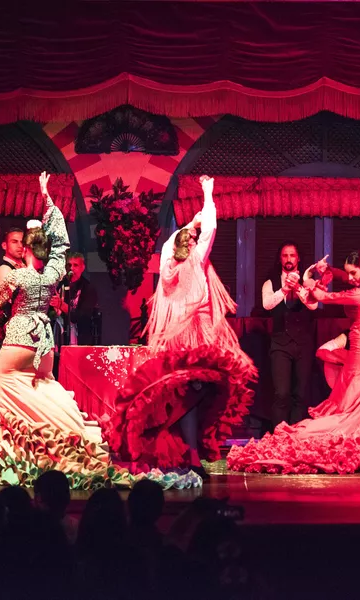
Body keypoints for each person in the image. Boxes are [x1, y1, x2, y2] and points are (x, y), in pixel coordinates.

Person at [0, 172, 129, 489]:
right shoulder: (55, 272)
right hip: (44, 340)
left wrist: (0, 331)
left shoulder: (18, 277)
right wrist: (48, 198)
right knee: (42, 390)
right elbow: (60, 240)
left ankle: (23, 451)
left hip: (18, 338)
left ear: (27, 249)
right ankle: (71, 435)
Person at [105, 176, 256, 479]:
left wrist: (191, 224)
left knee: (187, 393)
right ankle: (193, 455)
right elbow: (210, 230)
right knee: (190, 393)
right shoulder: (194, 260)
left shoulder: (166, 264)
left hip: (179, 336)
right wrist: (208, 195)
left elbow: (181, 240)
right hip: (191, 337)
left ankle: (191, 452)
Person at [227, 251, 360, 474]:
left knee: (348, 408)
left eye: (354, 273)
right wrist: (328, 271)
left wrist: (307, 279)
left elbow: (325, 298)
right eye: (349, 274)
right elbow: (343, 275)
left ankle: (342, 440)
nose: (352, 278)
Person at [262, 241, 318, 430]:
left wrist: (298, 288)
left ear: (298, 258)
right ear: (280, 258)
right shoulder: (271, 282)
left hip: (304, 344)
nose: (288, 259)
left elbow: (313, 305)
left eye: (292, 255)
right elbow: (267, 304)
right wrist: (285, 289)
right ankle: (279, 437)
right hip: (280, 345)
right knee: (282, 393)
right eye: (285, 255)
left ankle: (297, 437)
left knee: (301, 394)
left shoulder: (308, 281)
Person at [49, 251, 99, 346]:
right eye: (69, 265)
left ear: (82, 268)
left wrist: (63, 306)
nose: (71, 268)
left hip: (80, 338)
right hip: (60, 335)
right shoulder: (60, 285)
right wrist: (55, 311)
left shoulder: (88, 288)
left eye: (75, 265)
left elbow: (84, 316)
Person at [0, 226, 25, 354]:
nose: (20, 245)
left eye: (22, 241)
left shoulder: (24, 267)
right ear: (4, 245)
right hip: (10, 334)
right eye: (14, 241)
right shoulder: (4, 270)